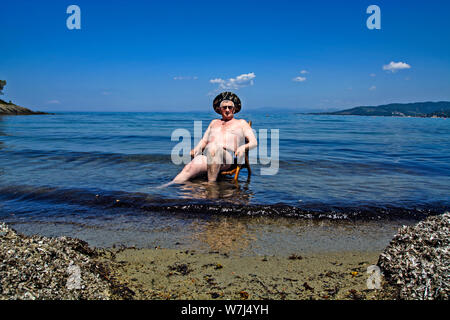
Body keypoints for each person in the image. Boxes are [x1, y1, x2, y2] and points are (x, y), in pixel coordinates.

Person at [172, 92, 257, 183]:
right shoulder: (214, 122)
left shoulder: (241, 123)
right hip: (207, 155)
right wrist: (197, 148)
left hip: (225, 157)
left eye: (230, 107)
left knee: (214, 149)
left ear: (234, 109)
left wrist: (243, 147)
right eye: (224, 107)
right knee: (189, 168)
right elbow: (204, 141)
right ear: (220, 109)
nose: (227, 110)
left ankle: (211, 187)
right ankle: (167, 187)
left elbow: (254, 142)